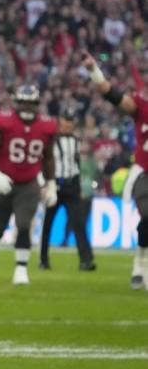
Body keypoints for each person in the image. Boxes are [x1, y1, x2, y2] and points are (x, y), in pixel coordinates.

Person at [0, 84, 58, 285]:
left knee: (24, 225)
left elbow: (48, 157)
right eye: (23, 103)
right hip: (3, 180)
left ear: (37, 104)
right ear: (16, 103)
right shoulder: (3, 122)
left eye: (31, 103)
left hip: (29, 182)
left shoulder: (47, 126)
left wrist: (51, 183)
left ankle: (21, 269)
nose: (27, 107)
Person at [83, 53, 148, 290]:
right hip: (145, 171)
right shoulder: (141, 105)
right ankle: (141, 262)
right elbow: (110, 93)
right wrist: (93, 70)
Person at [39, 107, 96, 271]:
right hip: (54, 184)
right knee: (47, 223)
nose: (68, 126)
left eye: (71, 122)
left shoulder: (76, 141)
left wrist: (78, 187)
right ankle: (43, 259)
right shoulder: (50, 140)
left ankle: (86, 260)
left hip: (71, 186)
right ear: (60, 122)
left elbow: (77, 165)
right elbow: (45, 163)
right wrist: (45, 184)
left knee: (79, 223)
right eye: (66, 122)